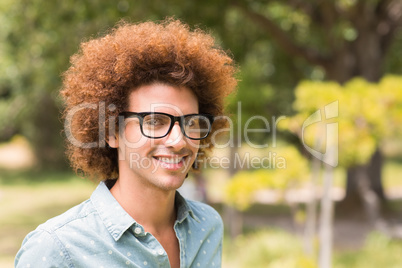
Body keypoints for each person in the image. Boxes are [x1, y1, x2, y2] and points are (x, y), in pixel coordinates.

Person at [15, 18, 237, 268]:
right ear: (111, 132)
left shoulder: (207, 226)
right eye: (154, 122)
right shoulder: (58, 249)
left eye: (192, 122)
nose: (178, 140)